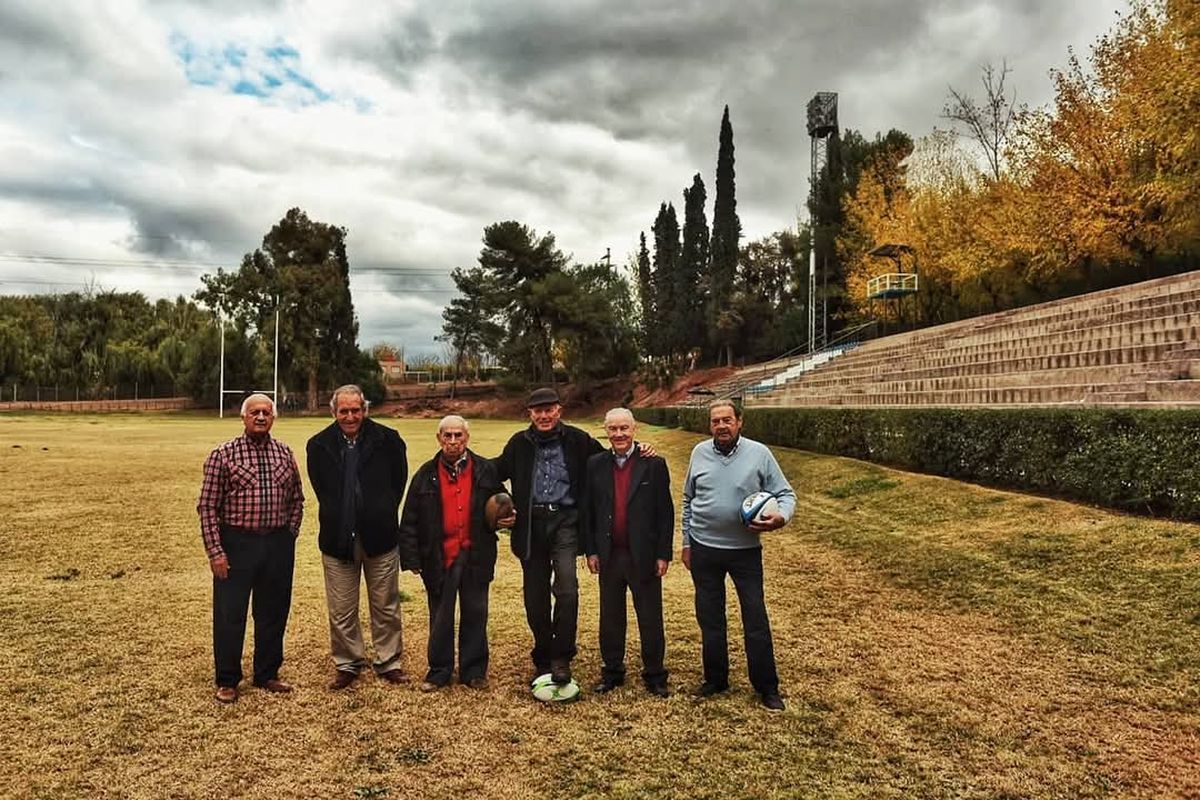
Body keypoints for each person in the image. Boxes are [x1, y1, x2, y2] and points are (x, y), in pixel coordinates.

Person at [681, 399, 795, 712]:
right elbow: (688, 500)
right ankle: (716, 679)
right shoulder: (699, 452)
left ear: (739, 421)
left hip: (745, 552)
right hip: (704, 548)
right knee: (710, 618)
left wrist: (781, 517)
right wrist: (687, 543)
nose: (721, 426)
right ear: (710, 425)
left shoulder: (760, 453)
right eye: (715, 421)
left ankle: (767, 687)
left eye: (727, 420)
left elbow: (785, 494)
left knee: (755, 617)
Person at [494, 387, 606, 686]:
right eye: (538, 411)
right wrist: (505, 502)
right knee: (535, 596)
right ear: (530, 413)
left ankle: (562, 656)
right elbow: (492, 471)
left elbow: (609, 462)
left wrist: (640, 451)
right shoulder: (519, 443)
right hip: (531, 525)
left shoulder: (579, 440)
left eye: (549, 410)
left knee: (567, 590)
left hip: (566, 522)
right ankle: (543, 656)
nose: (544, 415)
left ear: (559, 410)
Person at [197, 393, 304, 704]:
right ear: (243, 417)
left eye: (266, 413)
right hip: (237, 543)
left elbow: (297, 499)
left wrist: (289, 534)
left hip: (277, 543)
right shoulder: (223, 455)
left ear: (273, 418)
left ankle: (267, 673)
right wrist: (216, 551)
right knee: (230, 614)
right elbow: (207, 507)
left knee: (273, 611)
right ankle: (228, 679)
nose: (260, 417)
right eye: (254, 412)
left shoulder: (284, 453)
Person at [398, 415, 514, 692]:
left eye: (458, 435)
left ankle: (474, 671)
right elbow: (409, 518)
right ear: (439, 439)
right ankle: (439, 671)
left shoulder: (485, 470)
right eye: (447, 436)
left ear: (466, 438)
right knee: (440, 616)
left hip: (476, 554)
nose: (453, 441)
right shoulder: (425, 475)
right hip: (439, 557)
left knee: (476, 612)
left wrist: (508, 516)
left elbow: (503, 502)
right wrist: (412, 558)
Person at [306, 384, 410, 690]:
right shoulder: (319, 445)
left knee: (385, 605)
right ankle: (348, 663)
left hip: (380, 538)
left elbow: (397, 483)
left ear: (365, 409)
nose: (350, 416)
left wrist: (380, 510)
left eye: (355, 410)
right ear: (334, 412)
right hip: (337, 540)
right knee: (341, 609)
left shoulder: (388, 440)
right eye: (344, 411)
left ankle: (389, 661)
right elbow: (321, 489)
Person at [581, 408, 674, 697]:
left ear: (634, 429)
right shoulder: (595, 464)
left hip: (643, 554)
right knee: (610, 617)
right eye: (613, 429)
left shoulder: (653, 464)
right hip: (609, 554)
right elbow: (588, 511)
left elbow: (665, 513)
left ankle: (655, 674)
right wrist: (591, 550)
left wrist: (663, 554)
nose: (619, 434)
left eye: (624, 428)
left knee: (650, 617)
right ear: (605, 430)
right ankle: (612, 672)